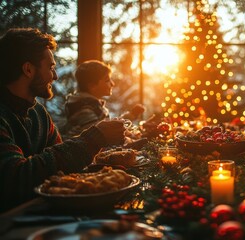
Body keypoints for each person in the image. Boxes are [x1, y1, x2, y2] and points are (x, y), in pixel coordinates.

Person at [0, 28, 127, 213]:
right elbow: (17, 179)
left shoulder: (38, 113)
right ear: (28, 69)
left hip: (42, 212)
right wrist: (93, 138)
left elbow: (63, 165)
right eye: (51, 67)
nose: (55, 75)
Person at [62, 60, 145, 139]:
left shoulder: (92, 105)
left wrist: (130, 116)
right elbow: (101, 136)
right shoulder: (84, 110)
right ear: (92, 86)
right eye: (107, 80)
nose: (112, 83)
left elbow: (107, 128)